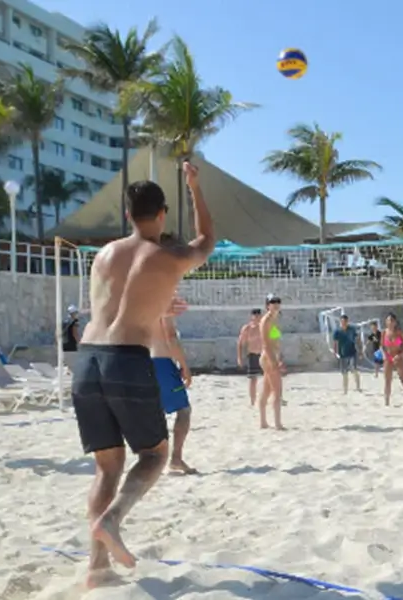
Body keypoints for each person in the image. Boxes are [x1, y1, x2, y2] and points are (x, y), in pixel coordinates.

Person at [70, 160, 213, 583]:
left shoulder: (103, 255)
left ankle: (96, 568)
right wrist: (194, 186)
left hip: (87, 362)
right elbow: (207, 239)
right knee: (154, 455)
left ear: (128, 215)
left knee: (106, 468)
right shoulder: (169, 254)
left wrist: (157, 305)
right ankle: (112, 520)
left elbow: (112, 309)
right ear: (162, 214)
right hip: (127, 361)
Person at [151, 311, 197, 475]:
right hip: (161, 362)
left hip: (141, 363)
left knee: (154, 412)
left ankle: (152, 460)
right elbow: (170, 337)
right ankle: (176, 458)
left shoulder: (137, 300)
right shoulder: (162, 302)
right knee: (184, 410)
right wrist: (184, 365)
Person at [257, 295, 285, 429]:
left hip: (273, 356)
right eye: (273, 302)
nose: (276, 304)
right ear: (267, 305)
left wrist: (280, 357)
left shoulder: (274, 319)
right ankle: (278, 423)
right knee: (277, 391)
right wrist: (274, 361)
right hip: (269, 357)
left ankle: (263, 422)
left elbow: (276, 341)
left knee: (267, 390)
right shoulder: (266, 320)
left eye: (277, 302)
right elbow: (265, 344)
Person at [381, 313, 403, 406]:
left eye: (391, 320)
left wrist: (400, 355)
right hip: (388, 357)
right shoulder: (384, 332)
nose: (390, 322)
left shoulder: (399, 333)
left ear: (395, 322)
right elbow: (382, 346)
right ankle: (386, 401)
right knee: (387, 380)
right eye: (388, 320)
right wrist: (384, 355)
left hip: (398, 357)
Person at [236, 309, 263, 407]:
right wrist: (239, 358)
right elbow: (240, 344)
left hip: (264, 355)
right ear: (251, 316)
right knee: (253, 379)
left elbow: (276, 337)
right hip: (252, 355)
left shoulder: (264, 326)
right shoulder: (247, 328)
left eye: (258, 315)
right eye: (255, 315)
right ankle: (253, 401)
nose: (257, 317)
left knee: (270, 377)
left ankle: (275, 398)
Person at [330, 313, 362, 394]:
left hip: (352, 352)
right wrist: (335, 352)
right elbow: (335, 342)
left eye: (345, 321)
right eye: (342, 321)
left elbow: (358, 340)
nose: (343, 323)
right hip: (342, 354)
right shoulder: (337, 331)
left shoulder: (352, 329)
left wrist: (360, 350)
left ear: (347, 321)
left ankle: (358, 387)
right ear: (340, 322)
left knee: (354, 370)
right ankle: (345, 390)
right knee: (344, 373)